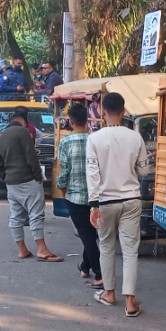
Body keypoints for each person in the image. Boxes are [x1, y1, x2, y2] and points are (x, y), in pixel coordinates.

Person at [86, 93, 148, 317]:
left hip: (105, 202)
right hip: (131, 200)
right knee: (131, 251)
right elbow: (143, 170)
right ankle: (130, 302)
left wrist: (93, 206)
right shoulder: (135, 138)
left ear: (103, 112)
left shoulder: (94, 139)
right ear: (123, 112)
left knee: (106, 247)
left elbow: (92, 174)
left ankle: (109, 293)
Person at [0, 113, 63, 262]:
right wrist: (38, 176)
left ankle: (22, 249)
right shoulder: (23, 132)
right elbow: (31, 155)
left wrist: (5, 178)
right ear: (23, 122)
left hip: (11, 183)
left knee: (16, 216)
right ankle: (42, 249)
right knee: (36, 214)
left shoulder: (2, 136)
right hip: (27, 179)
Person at [57, 104, 103, 288]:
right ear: (87, 120)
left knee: (87, 235)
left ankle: (99, 274)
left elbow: (64, 170)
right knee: (90, 233)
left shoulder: (66, 142)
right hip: (96, 196)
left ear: (71, 121)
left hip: (75, 196)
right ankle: (85, 266)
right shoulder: (95, 140)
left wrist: (62, 189)